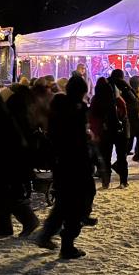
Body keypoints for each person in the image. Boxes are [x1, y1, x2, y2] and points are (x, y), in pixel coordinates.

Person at [35, 75, 96, 259]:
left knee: (64, 202)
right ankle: (67, 243)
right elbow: (76, 138)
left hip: (61, 162)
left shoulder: (59, 107)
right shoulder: (75, 109)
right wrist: (86, 139)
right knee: (76, 202)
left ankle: (48, 235)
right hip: (75, 162)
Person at [0, 83, 40, 239]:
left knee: (4, 190)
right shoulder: (24, 108)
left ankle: (25, 221)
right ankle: (6, 225)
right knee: (5, 190)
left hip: (10, 156)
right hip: (15, 157)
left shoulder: (13, 109)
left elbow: (8, 133)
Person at [89, 77, 129, 188]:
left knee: (106, 157)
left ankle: (106, 182)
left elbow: (94, 119)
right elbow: (124, 114)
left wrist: (96, 133)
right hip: (119, 131)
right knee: (121, 156)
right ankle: (123, 181)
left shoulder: (96, 100)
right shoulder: (117, 99)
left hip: (105, 131)